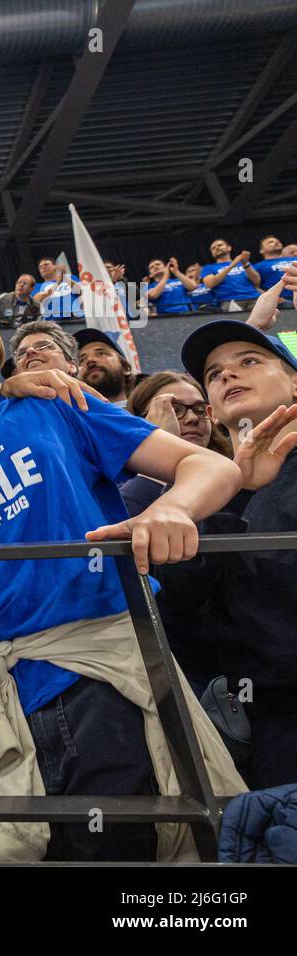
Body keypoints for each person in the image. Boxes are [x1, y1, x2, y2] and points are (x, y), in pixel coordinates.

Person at [0, 301, 245, 861]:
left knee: (134, 853)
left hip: (99, 681)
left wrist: (168, 511)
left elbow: (213, 467)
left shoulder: (55, 409)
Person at [176, 265, 297, 787]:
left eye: (249, 361)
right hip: (276, 725)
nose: (227, 374)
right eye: (214, 373)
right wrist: (234, 494)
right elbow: (177, 607)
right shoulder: (206, 493)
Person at [120, 371, 233, 695]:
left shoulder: (239, 469)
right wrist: (152, 440)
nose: (193, 418)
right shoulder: (119, 481)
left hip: (241, 652)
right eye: (174, 408)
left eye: (200, 409)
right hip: (173, 662)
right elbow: (122, 519)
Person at [75, 328, 135, 407]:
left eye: (101, 353)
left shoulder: (150, 412)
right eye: (82, 360)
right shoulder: (69, 418)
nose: (90, 360)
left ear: (125, 367)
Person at [200, 239, 261, 310]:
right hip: (229, 300)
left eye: (220, 245)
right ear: (212, 254)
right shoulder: (208, 268)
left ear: (229, 248)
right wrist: (233, 264)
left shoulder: (243, 263)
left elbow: (257, 281)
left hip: (254, 297)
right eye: (213, 248)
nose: (217, 248)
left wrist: (245, 264)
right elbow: (210, 284)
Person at [8, 321, 80, 377]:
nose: (29, 350)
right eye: (22, 353)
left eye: (43, 346)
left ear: (71, 365)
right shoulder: (0, 394)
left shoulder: (87, 395)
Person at [254, 234, 295, 307]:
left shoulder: (294, 259)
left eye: (278, 241)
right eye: (271, 242)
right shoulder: (258, 266)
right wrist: (270, 297)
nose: (276, 243)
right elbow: (252, 286)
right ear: (262, 250)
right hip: (279, 301)